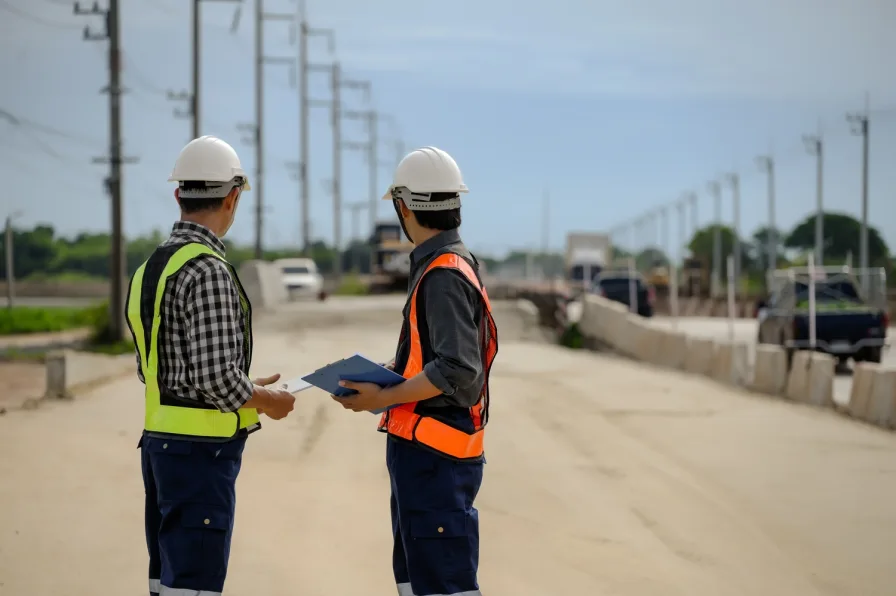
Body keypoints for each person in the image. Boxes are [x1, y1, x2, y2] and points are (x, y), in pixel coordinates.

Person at [125, 135, 297, 596]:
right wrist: (266, 400)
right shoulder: (207, 269)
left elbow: (156, 369)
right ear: (233, 196)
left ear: (178, 194)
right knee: (196, 584)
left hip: (160, 448)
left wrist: (241, 385)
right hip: (200, 455)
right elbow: (214, 377)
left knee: (167, 580)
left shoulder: (150, 268)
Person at [333, 146, 498, 596]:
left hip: (435, 462)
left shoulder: (442, 273)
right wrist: (386, 373)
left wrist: (382, 397)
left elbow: (456, 369)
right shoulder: (444, 264)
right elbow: (436, 358)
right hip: (427, 462)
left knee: (443, 585)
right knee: (421, 582)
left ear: (403, 207)